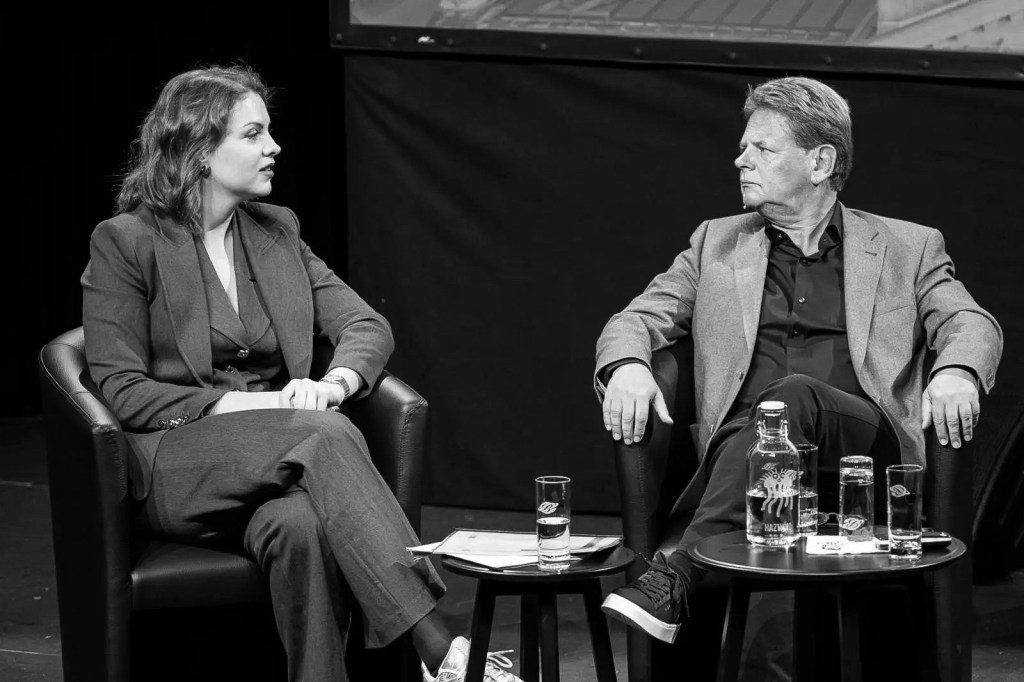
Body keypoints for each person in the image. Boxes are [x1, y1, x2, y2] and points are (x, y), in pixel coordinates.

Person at [81, 65, 522, 682]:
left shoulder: (276, 232)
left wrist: (334, 383)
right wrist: (263, 411)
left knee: (302, 525)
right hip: (175, 464)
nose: (274, 147)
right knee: (325, 434)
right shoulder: (127, 242)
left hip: (277, 463)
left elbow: (367, 326)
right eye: (254, 134)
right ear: (202, 152)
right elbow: (123, 390)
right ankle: (439, 649)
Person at [594, 77, 1002, 652]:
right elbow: (634, 319)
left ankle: (681, 570)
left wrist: (957, 371)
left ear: (820, 162)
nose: (741, 159)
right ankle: (688, 572)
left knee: (795, 393)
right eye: (744, 147)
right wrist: (630, 366)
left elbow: (971, 323)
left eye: (762, 149)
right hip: (744, 456)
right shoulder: (717, 244)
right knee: (775, 410)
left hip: (862, 453)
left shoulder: (907, 247)